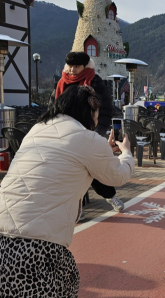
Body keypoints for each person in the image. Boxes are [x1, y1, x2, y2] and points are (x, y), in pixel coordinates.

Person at [0, 85, 133, 298]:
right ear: (89, 114)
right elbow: (118, 175)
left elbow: (65, 155)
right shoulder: (89, 139)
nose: (97, 121)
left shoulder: (37, 128)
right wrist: (126, 153)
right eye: (96, 116)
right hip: (36, 247)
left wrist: (102, 151)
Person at [52, 52, 125, 214]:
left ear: (85, 67)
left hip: (90, 130)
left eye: (76, 66)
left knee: (96, 167)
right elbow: (54, 108)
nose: (72, 70)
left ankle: (110, 195)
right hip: (66, 133)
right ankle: (76, 206)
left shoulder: (95, 82)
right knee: (72, 170)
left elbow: (106, 109)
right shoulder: (61, 83)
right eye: (70, 66)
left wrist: (98, 132)